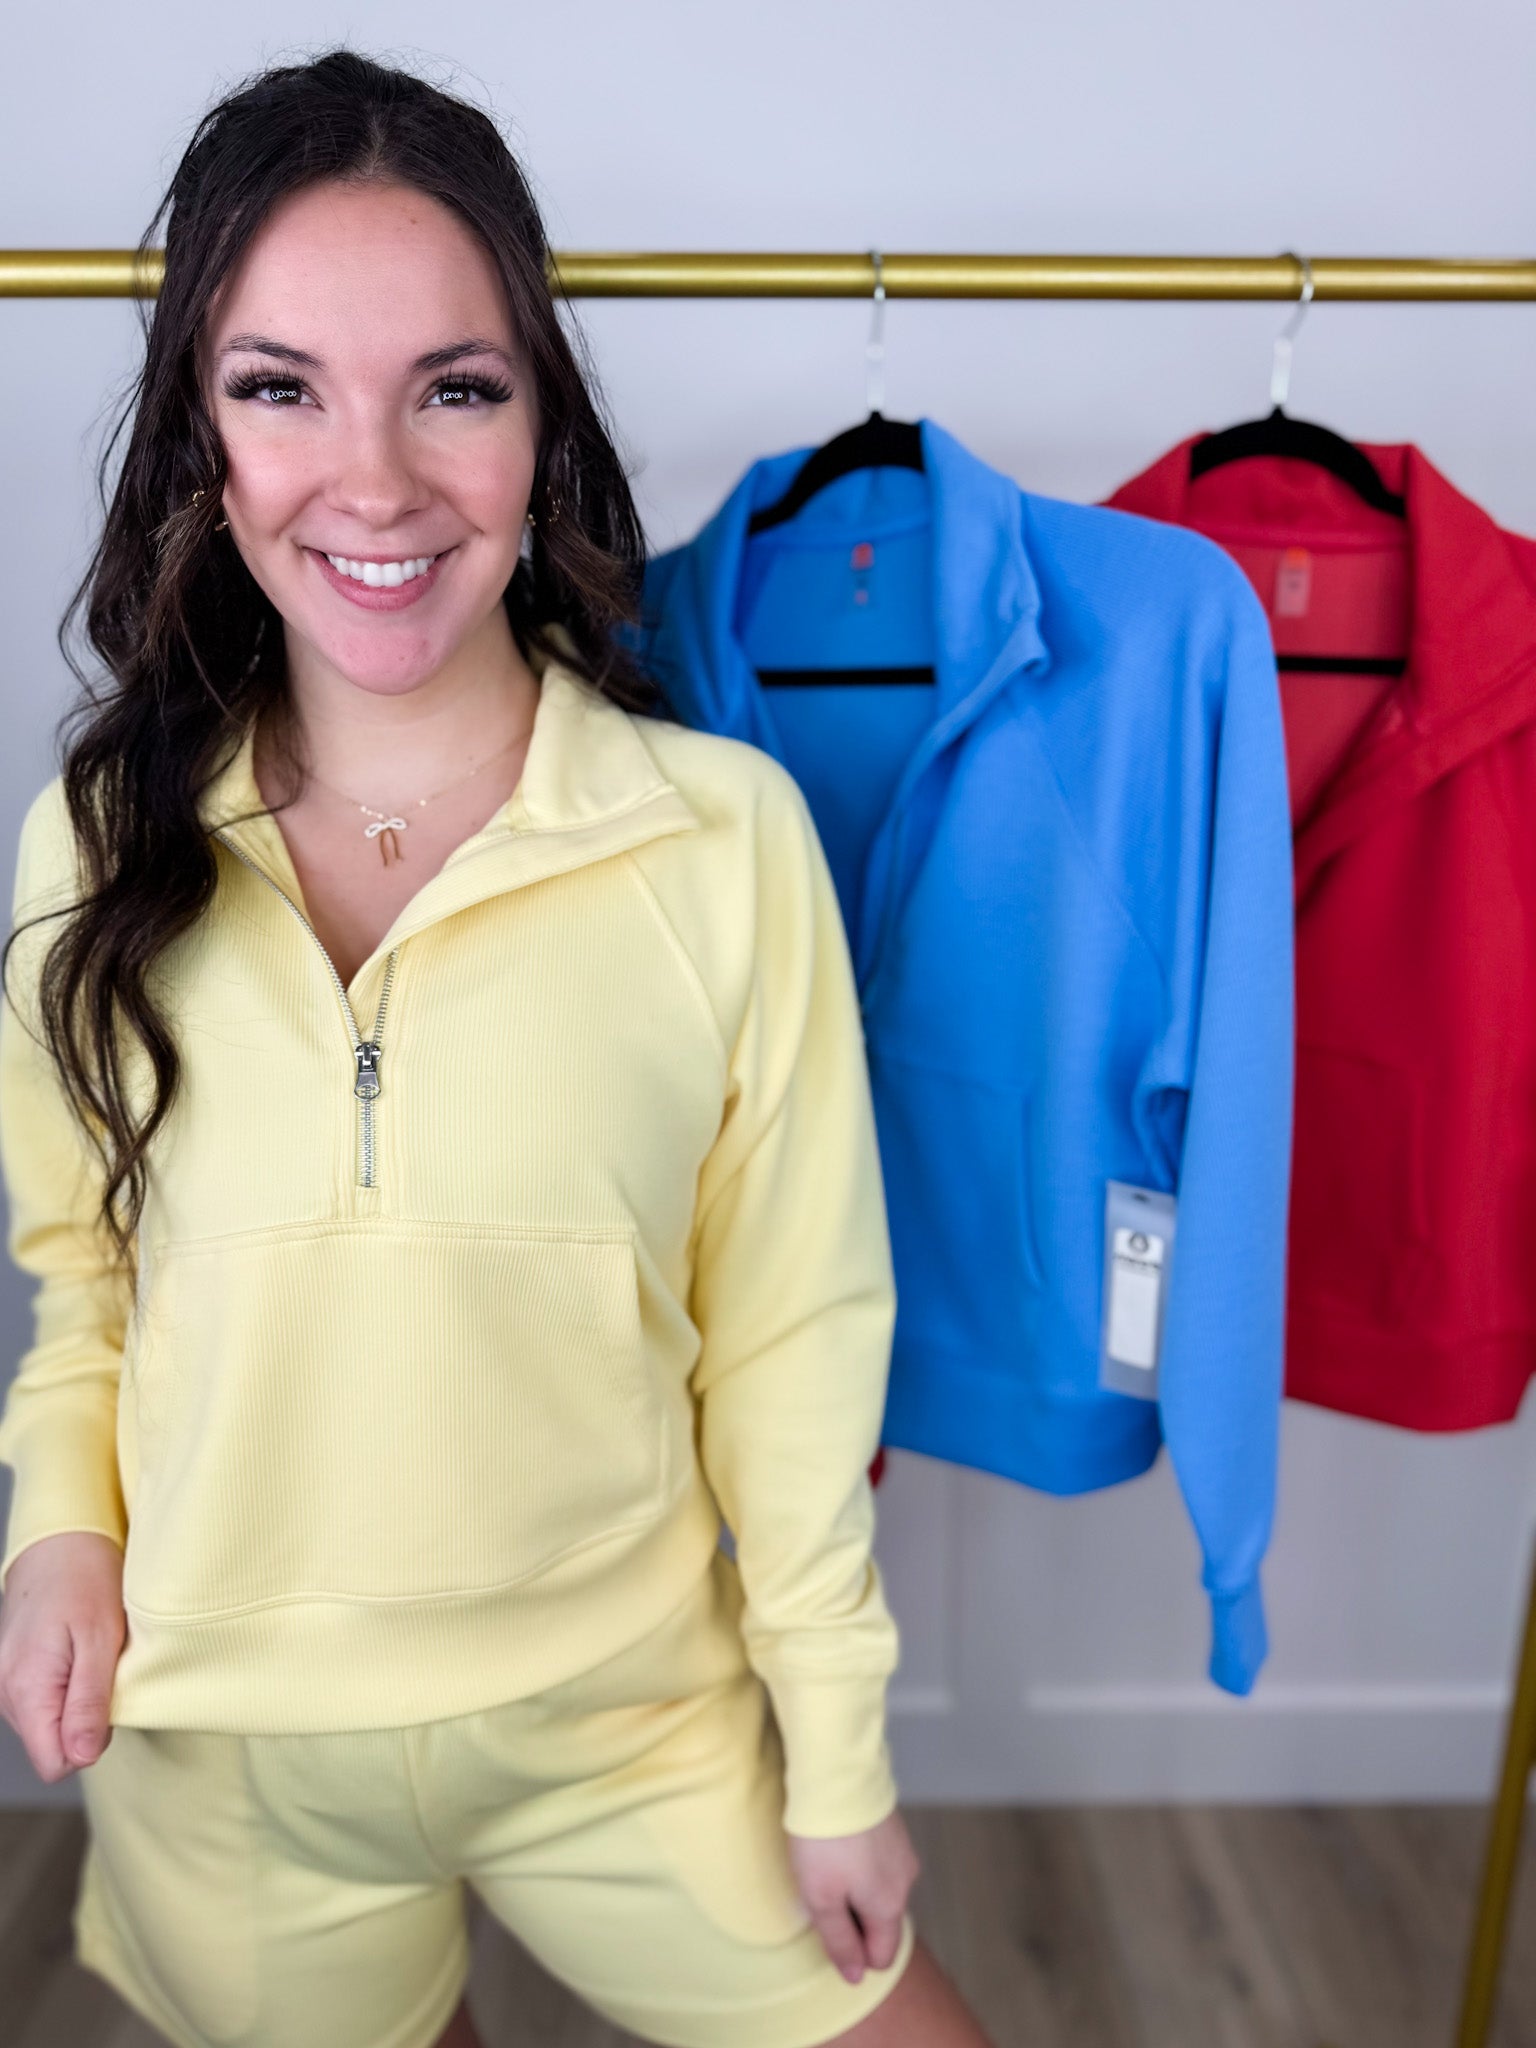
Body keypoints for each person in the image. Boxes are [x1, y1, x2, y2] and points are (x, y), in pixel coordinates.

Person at [0, 48, 997, 2048]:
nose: (373, 480)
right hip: (225, 1757)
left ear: (543, 425)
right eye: (281, 388)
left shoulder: (718, 844)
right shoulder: (97, 842)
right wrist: (60, 1534)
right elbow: (88, 1277)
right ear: (202, 436)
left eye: (453, 388)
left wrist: (835, 1756)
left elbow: (797, 1343)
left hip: (631, 1725)